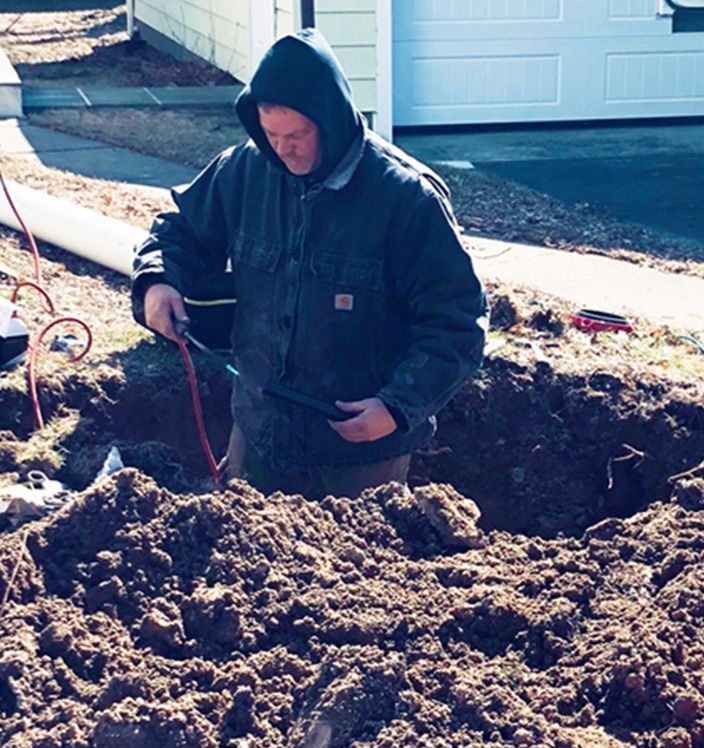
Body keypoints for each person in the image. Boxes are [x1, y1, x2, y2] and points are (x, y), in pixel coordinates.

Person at [132, 28, 488, 499]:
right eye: (270, 133)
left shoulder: (405, 199)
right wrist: (157, 280)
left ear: (332, 120)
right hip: (258, 441)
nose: (283, 148)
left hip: (359, 458)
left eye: (297, 134)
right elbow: (178, 230)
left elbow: (457, 322)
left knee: (351, 569)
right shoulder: (244, 170)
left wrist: (397, 407)